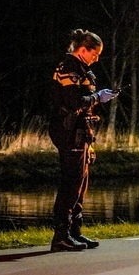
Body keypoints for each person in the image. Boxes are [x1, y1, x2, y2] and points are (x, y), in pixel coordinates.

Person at [48, 29, 118, 252]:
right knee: (71, 183)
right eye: (95, 54)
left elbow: (83, 101)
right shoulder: (69, 68)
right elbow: (73, 101)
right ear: (83, 50)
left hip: (81, 131)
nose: (96, 59)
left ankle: (74, 232)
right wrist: (98, 97)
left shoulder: (81, 69)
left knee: (81, 183)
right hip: (69, 132)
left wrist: (98, 98)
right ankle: (61, 236)